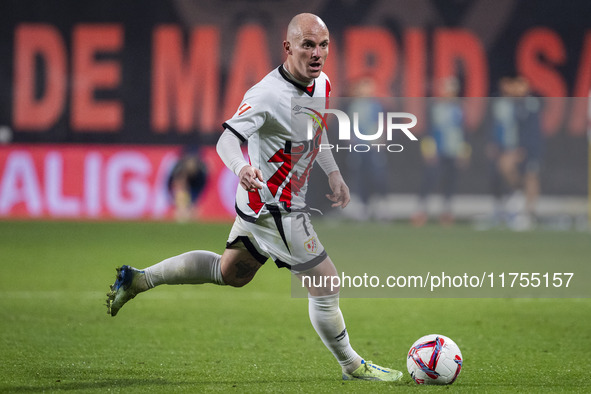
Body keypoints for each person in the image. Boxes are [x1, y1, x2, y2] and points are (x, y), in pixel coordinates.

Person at [106, 13, 403, 382]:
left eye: (323, 45)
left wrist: (334, 172)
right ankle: (352, 366)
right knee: (326, 281)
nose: (317, 53)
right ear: (288, 46)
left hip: (261, 206)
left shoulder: (322, 83)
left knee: (229, 272)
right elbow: (227, 139)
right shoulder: (266, 94)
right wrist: (241, 168)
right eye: (308, 44)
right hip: (276, 207)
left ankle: (139, 279)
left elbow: (316, 132)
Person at [411, 76, 470, 226]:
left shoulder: (460, 108)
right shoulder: (434, 107)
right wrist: (428, 150)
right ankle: (421, 210)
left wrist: (464, 152)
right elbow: (428, 130)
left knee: (450, 181)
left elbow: (464, 132)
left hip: (453, 150)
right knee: (429, 180)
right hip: (437, 149)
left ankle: (446, 211)